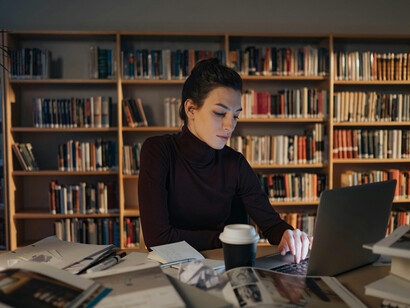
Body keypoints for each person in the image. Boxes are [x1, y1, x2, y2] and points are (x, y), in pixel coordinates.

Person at [138, 58, 313, 263]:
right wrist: (227, 239)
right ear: (191, 109)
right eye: (220, 113)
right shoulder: (158, 150)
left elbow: (272, 225)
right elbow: (158, 239)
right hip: (170, 270)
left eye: (235, 116)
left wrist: (289, 235)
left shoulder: (235, 162)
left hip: (223, 270)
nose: (230, 126)